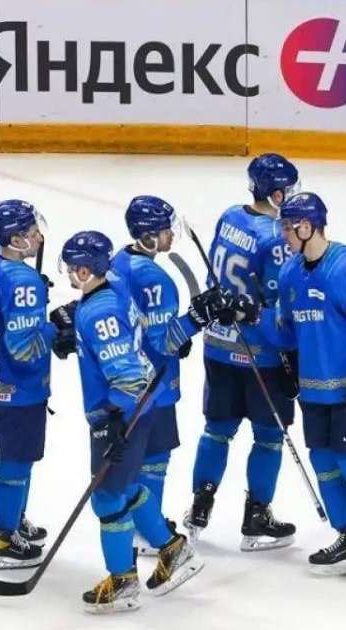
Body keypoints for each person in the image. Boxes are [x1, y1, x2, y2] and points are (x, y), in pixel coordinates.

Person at [53, 231, 206, 613]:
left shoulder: (99, 312)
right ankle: (174, 549)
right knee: (130, 485)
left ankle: (122, 581)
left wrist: (117, 422)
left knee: (107, 497)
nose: (70, 275)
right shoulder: (114, 289)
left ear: (87, 270)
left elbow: (126, 373)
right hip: (140, 408)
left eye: (73, 269)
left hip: (123, 413)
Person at [268, 192, 346, 580]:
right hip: (314, 390)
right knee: (324, 463)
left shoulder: (345, 267)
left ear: (308, 226)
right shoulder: (290, 273)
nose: (284, 235)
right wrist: (286, 360)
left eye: (289, 228)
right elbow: (285, 327)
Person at [109, 195, 243, 554]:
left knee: (135, 459)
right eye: (165, 230)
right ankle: (148, 530)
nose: (171, 235)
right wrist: (196, 320)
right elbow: (165, 340)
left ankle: (139, 522)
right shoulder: (155, 278)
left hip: (123, 377)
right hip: (154, 383)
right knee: (155, 459)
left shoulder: (118, 261)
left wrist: (181, 328)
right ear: (149, 235)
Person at [186, 154, 298, 551]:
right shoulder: (276, 236)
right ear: (278, 191)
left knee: (217, 429)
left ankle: (200, 504)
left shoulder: (231, 216)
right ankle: (256, 516)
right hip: (259, 352)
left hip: (217, 343)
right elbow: (277, 297)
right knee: (268, 436)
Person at [0, 200, 53, 570]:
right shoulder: (24, 281)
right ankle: (3, 538)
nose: (39, 236)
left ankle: (13, 521)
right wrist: (56, 328)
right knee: (16, 462)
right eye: (32, 232)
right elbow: (23, 350)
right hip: (18, 389)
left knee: (18, 460)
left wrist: (28, 308)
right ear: (16, 238)